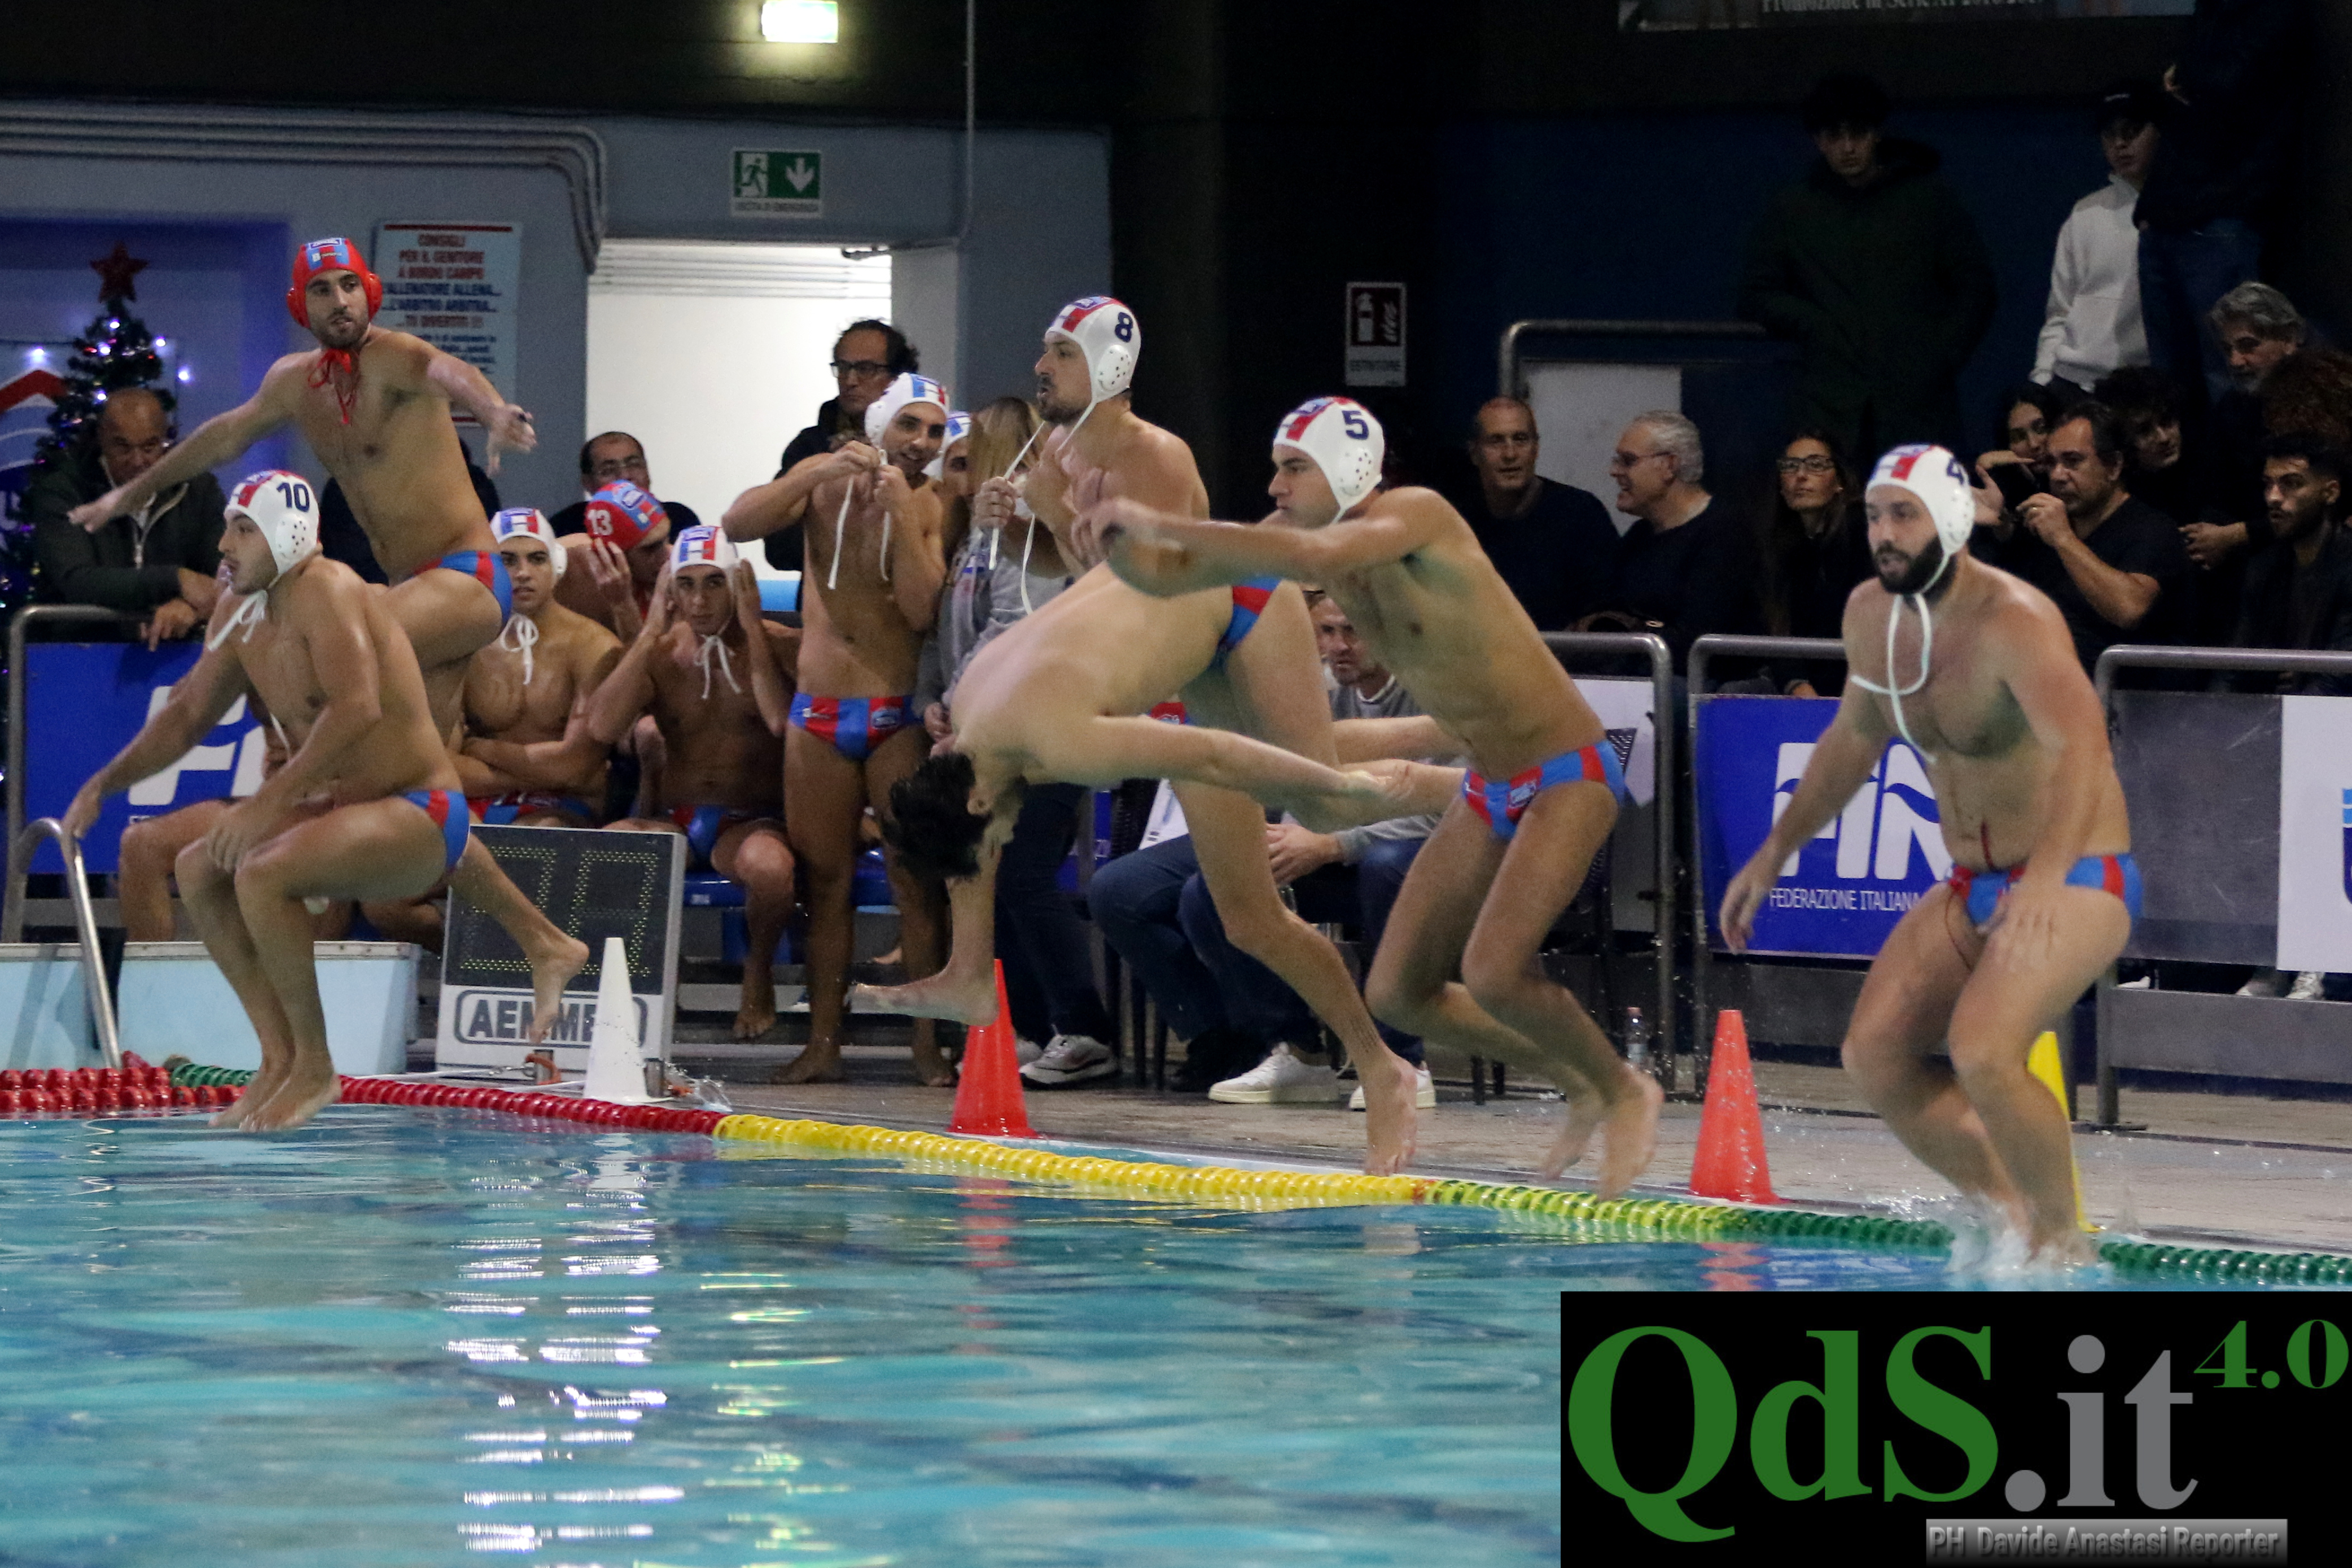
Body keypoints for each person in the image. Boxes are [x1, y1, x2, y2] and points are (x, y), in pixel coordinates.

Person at [856, 296, 1450, 1171]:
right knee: (1250, 918)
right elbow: (1094, 588)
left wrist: (1343, 797)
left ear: (1104, 363)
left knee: (1313, 775)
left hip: (1238, 608)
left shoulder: (1155, 458)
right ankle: (969, 975)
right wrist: (1043, 523)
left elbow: (1181, 622)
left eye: (1058, 353)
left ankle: (1439, 766)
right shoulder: (1051, 469)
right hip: (1164, 665)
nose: (1039, 370)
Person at [1083, 396, 1661, 1192]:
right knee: (1400, 992)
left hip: (1567, 771)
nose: (1275, 485)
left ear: (1348, 469)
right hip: (1486, 784)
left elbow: (1293, 548)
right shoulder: (1315, 548)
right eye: (1275, 468)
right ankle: (1582, 1076)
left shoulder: (1415, 515)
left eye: (1293, 468)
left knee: (1492, 973)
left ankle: (1623, 1088)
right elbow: (1208, 579)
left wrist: (1165, 524)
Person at [62, 236, 587, 1037]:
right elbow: (219, 439)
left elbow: (453, 373)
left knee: (336, 644)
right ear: (300, 308)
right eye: (323, 290)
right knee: (421, 796)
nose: (340, 300)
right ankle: (544, 942)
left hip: (464, 581)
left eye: (351, 285)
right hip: (418, 601)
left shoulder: (398, 358)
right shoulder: (293, 385)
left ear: (369, 293)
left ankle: (305, 785)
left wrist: (492, 412)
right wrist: (122, 497)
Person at [1720, 444, 2138, 1264]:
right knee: (1872, 1055)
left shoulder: (2011, 618)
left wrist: (2047, 881)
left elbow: (2086, 747)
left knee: (1983, 1051)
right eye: (1874, 514)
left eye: (1901, 514)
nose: (1882, 532)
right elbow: (1851, 741)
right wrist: (1773, 851)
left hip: (2078, 872)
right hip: (1969, 880)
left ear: (1948, 519)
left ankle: (2063, 1244)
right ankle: (2004, 1212)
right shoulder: (1868, 615)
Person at [64, 472, 480, 1131]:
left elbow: (357, 710)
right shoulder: (239, 607)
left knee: (261, 870)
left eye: (242, 529)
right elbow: (187, 716)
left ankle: (316, 1065)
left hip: (420, 810)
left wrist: (263, 808)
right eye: (229, 527)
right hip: (342, 809)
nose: (224, 545)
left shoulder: (329, 590)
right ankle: (279, 1057)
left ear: (286, 535)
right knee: (201, 867)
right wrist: (102, 783)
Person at [724, 373, 953, 1085]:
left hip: (893, 714)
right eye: (909, 427)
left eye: (935, 432)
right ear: (880, 427)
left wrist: (902, 515)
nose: (921, 443)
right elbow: (737, 523)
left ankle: (924, 1046)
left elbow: (921, 612)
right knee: (826, 884)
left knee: (915, 885)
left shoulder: (933, 501)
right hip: (817, 716)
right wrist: (820, 468)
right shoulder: (819, 483)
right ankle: (824, 1043)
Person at [910, 396, 1115, 1072]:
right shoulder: (977, 537)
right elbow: (950, 634)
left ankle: (1083, 1027)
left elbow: (1019, 634)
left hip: (1043, 737)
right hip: (989, 734)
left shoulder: (1033, 539)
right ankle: (1024, 1026)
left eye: (967, 462)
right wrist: (934, 699)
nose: (953, 475)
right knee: (992, 876)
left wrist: (966, 704)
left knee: (1023, 874)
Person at [1193, 592, 1442, 1110]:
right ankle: (1297, 1053)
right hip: (1342, 851)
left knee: (1386, 868)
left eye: (1351, 631)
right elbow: (1289, 780)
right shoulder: (1320, 692)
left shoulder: (1435, 690)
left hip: (1430, 857)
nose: (1338, 647)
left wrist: (1334, 843)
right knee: (1215, 889)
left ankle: (1403, 1059)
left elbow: (1454, 805)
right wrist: (1284, 840)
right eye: (1326, 633)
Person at [587, 528, 799, 1040]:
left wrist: (751, 626)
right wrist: (648, 632)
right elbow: (601, 727)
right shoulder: (660, 654)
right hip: (675, 819)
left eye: (713, 584)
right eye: (686, 586)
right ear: (670, 591)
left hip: (748, 821)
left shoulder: (780, 645)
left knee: (770, 872)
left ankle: (758, 974)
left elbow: (777, 723)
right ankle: (665, 977)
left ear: (737, 584)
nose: (699, 602)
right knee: (605, 850)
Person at [1738, 71, 1998, 459]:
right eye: (1833, 136)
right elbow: (1755, 292)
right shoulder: (1794, 210)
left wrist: (1937, 360)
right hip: (1831, 402)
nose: (1847, 148)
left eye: (1856, 133)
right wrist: (1815, 325)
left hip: (1916, 402)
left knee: (1921, 511)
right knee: (1833, 513)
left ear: (1876, 133)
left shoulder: (1927, 201)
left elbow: (1976, 289)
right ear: (1817, 141)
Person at [2135, 0, 2311, 410]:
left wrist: (2188, 77)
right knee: (2168, 393)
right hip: (2167, 214)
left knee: (2230, 377)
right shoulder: (2211, 9)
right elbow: (2179, 86)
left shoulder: (2275, 11)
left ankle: (2238, 474)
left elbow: (2227, 84)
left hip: (2223, 214)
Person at [454, 509, 623, 829]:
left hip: (562, 808)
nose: (523, 573)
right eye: (508, 560)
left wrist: (480, 748)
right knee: (445, 835)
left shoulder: (593, 646)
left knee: (540, 834)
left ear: (556, 565)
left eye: (536, 559)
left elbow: (576, 767)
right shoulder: (465, 644)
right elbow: (443, 766)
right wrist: (543, 773)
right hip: (481, 800)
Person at [1998, 403, 2191, 674]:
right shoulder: (2046, 531)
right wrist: (1998, 529)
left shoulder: (2153, 530)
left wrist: (2064, 539)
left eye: (2073, 462)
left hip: (2131, 699)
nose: (2057, 476)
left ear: (2113, 466)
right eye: (2052, 463)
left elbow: (2129, 609)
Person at [27, 386, 223, 645]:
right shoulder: (65, 492)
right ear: (102, 439)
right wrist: (176, 580)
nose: (138, 461)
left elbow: (224, 574)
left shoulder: (198, 490)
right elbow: (77, 580)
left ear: (166, 439)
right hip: (82, 652)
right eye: (123, 447)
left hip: (177, 655)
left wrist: (189, 607)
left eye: (150, 446)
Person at [1589, 411, 1762, 668]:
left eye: (1628, 461)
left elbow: (1697, 643)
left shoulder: (1724, 534)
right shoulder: (1638, 536)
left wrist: (1632, 634)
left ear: (1669, 466)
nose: (1615, 471)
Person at [2032, 81, 2166, 399]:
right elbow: (2060, 312)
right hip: (2074, 384)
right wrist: (2041, 384)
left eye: (2132, 131)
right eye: (2110, 135)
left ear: (2160, 131)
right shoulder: (2086, 212)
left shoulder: (2183, 212)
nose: (2120, 144)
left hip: (2147, 387)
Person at [762, 320, 921, 573]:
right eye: (843, 367)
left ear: (898, 378)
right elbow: (778, 549)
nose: (850, 380)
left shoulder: (925, 446)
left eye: (866, 368)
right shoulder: (809, 447)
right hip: (826, 597)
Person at [1457, 397, 1618, 630]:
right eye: (1496, 441)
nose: (1510, 454)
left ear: (1536, 448)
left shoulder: (1580, 514)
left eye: (1521, 440)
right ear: (1474, 453)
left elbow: (1605, 615)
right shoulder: (1456, 519)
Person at [1759, 430, 1872, 696]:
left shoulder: (1864, 530)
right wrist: (1796, 683)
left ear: (1840, 481)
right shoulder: (1778, 546)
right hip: (1806, 688)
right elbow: (1777, 630)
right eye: (1790, 466)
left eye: (1816, 465)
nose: (1801, 475)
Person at [553, 480, 671, 642]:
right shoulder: (571, 567)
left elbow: (651, 666)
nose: (666, 557)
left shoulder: (679, 570)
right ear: (610, 554)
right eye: (651, 549)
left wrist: (622, 604)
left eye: (665, 540)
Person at [548, 432, 703, 540]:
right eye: (608, 471)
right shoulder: (565, 526)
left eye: (634, 465)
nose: (625, 477)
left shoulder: (680, 519)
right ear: (588, 483)